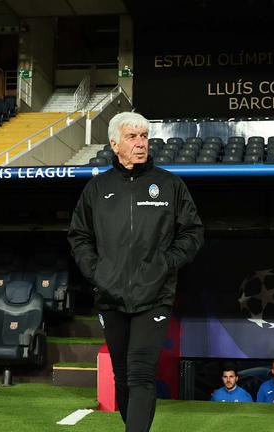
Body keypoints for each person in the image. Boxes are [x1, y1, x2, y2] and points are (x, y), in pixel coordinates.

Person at [68, 111, 204, 432]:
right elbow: (79, 236)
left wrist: (165, 264)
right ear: (115, 143)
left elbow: (193, 233)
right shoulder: (97, 189)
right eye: (132, 137)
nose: (140, 144)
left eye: (144, 137)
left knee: (142, 372)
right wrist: (97, 272)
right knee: (123, 378)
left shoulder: (170, 185)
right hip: (111, 295)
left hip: (154, 295)